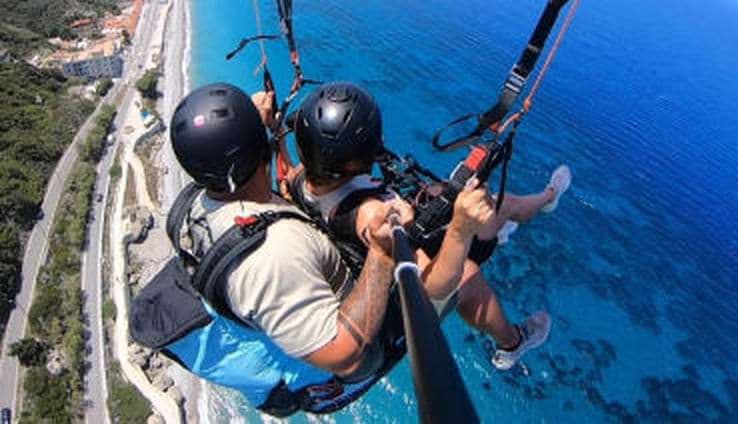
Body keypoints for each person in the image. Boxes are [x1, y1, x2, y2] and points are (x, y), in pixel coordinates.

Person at [131, 82, 494, 415]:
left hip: (271, 300)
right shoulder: (275, 255)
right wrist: (389, 253)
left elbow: (276, 188)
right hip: (343, 367)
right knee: (466, 274)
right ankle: (511, 344)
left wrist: (268, 134)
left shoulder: (196, 203)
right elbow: (348, 356)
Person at [282, 82, 572, 370]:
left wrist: (276, 138)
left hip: (377, 238)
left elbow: (290, 179)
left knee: (445, 191)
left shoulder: (300, 178)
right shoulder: (372, 216)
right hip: (402, 284)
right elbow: (432, 288)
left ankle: (509, 219)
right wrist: (461, 227)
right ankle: (513, 343)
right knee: (478, 254)